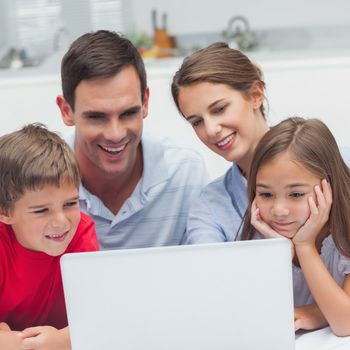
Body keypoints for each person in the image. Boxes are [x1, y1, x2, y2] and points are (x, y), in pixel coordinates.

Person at [56, 30, 209, 249]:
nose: (115, 134)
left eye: (128, 113)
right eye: (97, 117)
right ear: (66, 111)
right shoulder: (38, 182)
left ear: (145, 102)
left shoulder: (184, 171)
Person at [241, 117, 350, 336]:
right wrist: (278, 253)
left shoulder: (344, 233)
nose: (279, 209)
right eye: (265, 194)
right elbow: (255, 320)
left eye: (296, 194)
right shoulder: (260, 238)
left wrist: (304, 246)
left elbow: (345, 323)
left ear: (328, 187)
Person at [0, 123, 99, 350]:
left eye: (70, 203)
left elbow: (96, 316)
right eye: (41, 210)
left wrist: (65, 339)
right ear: (4, 212)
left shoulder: (81, 231)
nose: (61, 221)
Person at [171, 42, 269, 243]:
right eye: (197, 121)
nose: (211, 130)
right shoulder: (209, 207)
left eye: (219, 109)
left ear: (255, 95)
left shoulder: (338, 165)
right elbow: (211, 272)